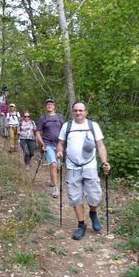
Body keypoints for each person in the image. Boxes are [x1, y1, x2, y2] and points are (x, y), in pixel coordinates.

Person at [56, 101, 111, 240]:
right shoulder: (66, 126)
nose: (78, 113)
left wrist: (105, 162)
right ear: (72, 112)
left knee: (94, 196)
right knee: (75, 197)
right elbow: (60, 143)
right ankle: (81, 225)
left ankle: (93, 213)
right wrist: (59, 152)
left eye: (81, 110)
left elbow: (101, 145)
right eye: (75, 110)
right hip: (72, 167)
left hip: (90, 166)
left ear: (86, 112)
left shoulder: (93, 126)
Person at [36, 99, 65, 198]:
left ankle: (53, 179)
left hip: (59, 145)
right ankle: (56, 189)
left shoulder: (59, 117)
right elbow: (37, 132)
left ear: (54, 106)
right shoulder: (43, 118)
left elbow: (64, 129)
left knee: (57, 167)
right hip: (47, 144)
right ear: (46, 107)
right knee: (53, 164)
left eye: (51, 104)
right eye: (47, 104)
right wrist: (42, 144)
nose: (49, 106)